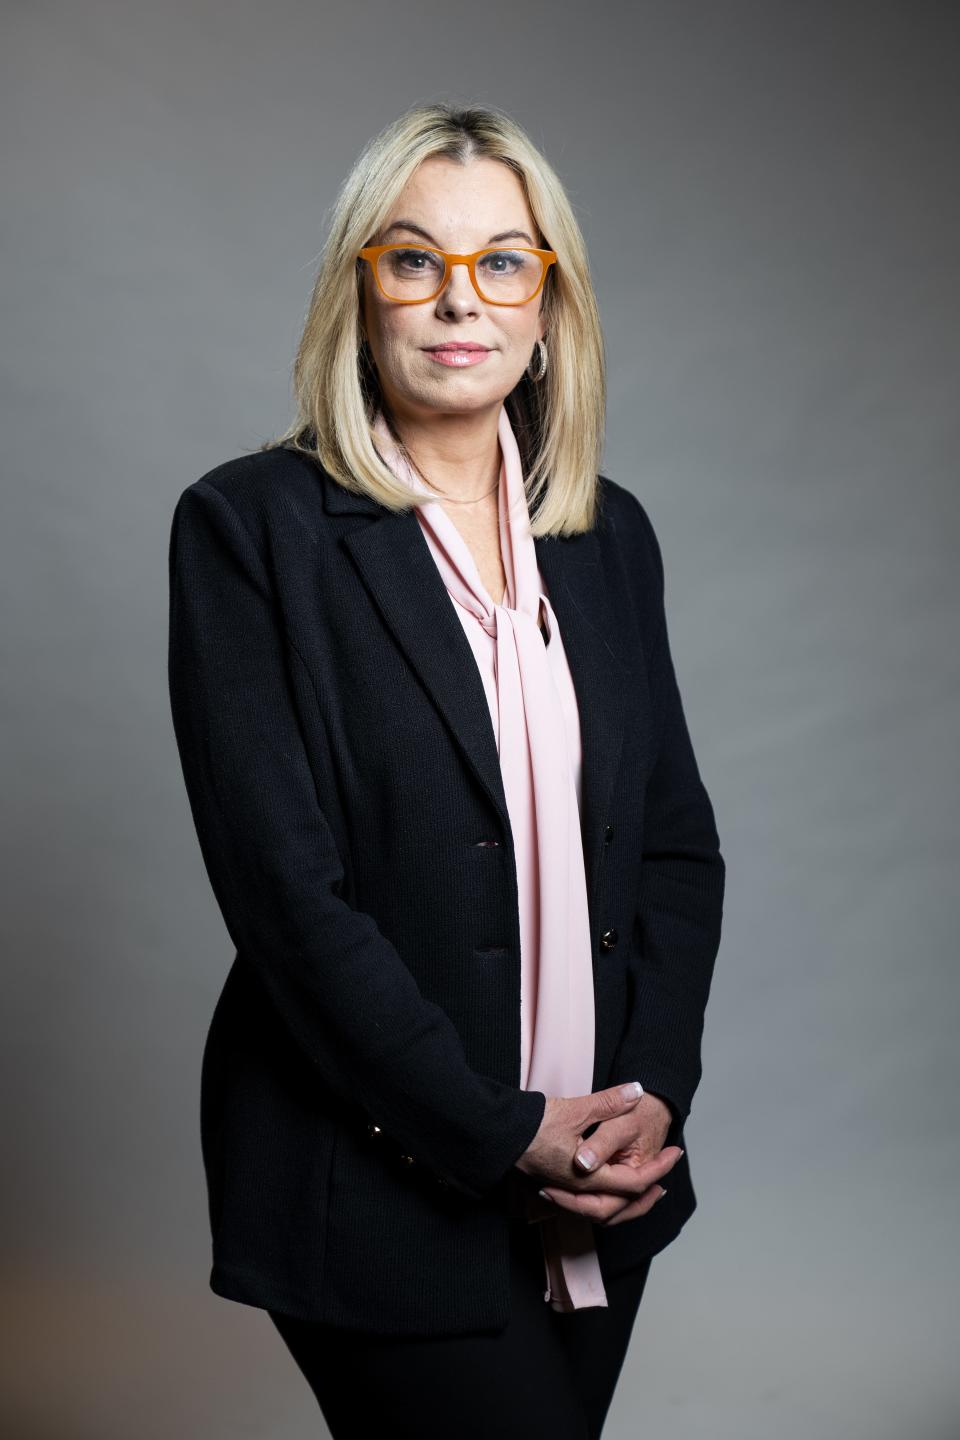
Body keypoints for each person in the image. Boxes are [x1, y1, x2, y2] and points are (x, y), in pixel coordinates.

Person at [167, 101, 725, 1439]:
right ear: (360, 293)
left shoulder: (607, 534)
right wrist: (499, 1132)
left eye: (503, 261)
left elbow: (673, 847)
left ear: (550, 302)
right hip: (379, 1184)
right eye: (412, 259)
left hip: (601, 1187)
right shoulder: (251, 530)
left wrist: (647, 1102)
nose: (457, 299)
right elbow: (288, 903)